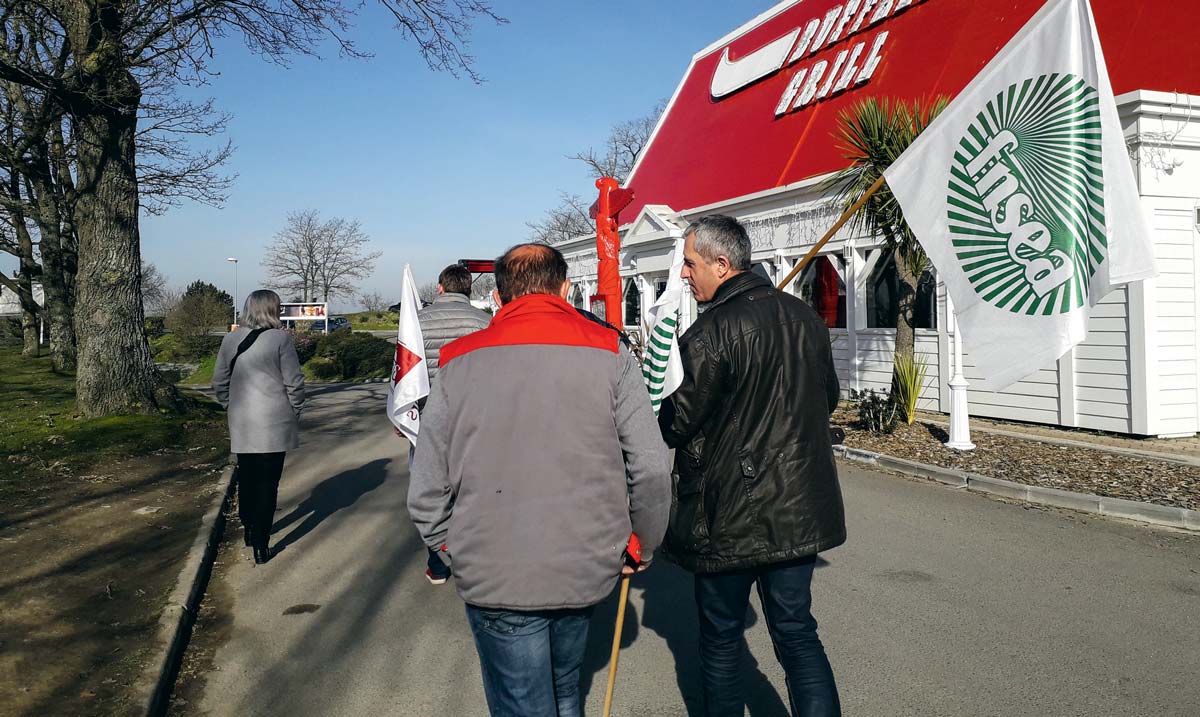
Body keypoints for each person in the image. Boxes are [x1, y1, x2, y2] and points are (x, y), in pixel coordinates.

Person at [408, 243, 671, 717]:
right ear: (565, 289)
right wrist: (642, 543)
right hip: (585, 559)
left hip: (493, 565)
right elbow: (651, 467)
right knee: (565, 686)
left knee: (523, 702)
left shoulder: (456, 360)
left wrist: (447, 546)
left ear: (501, 296)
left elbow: (427, 480)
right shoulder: (609, 351)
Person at [657, 215, 846, 717]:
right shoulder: (805, 319)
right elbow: (826, 398)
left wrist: (661, 392)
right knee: (798, 634)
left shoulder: (710, 333)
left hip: (729, 510)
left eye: (690, 263)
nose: (683, 274)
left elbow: (675, 424)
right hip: (797, 501)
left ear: (722, 264)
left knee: (721, 641)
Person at [212, 289, 307, 565]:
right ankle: (262, 544)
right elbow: (294, 382)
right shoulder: (281, 339)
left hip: (242, 419)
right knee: (268, 483)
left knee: (247, 477)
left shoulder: (231, 340)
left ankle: (250, 528)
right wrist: (295, 410)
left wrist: (230, 405)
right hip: (275, 421)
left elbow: (219, 381)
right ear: (274, 310)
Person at [413, 263, 492, 585]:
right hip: (475, 416)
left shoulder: (416, 323)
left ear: (440, 288)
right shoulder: (485, 323)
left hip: (425, 414)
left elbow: (402, 372)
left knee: (432, 485)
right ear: (469, 289)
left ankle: (439, 561)